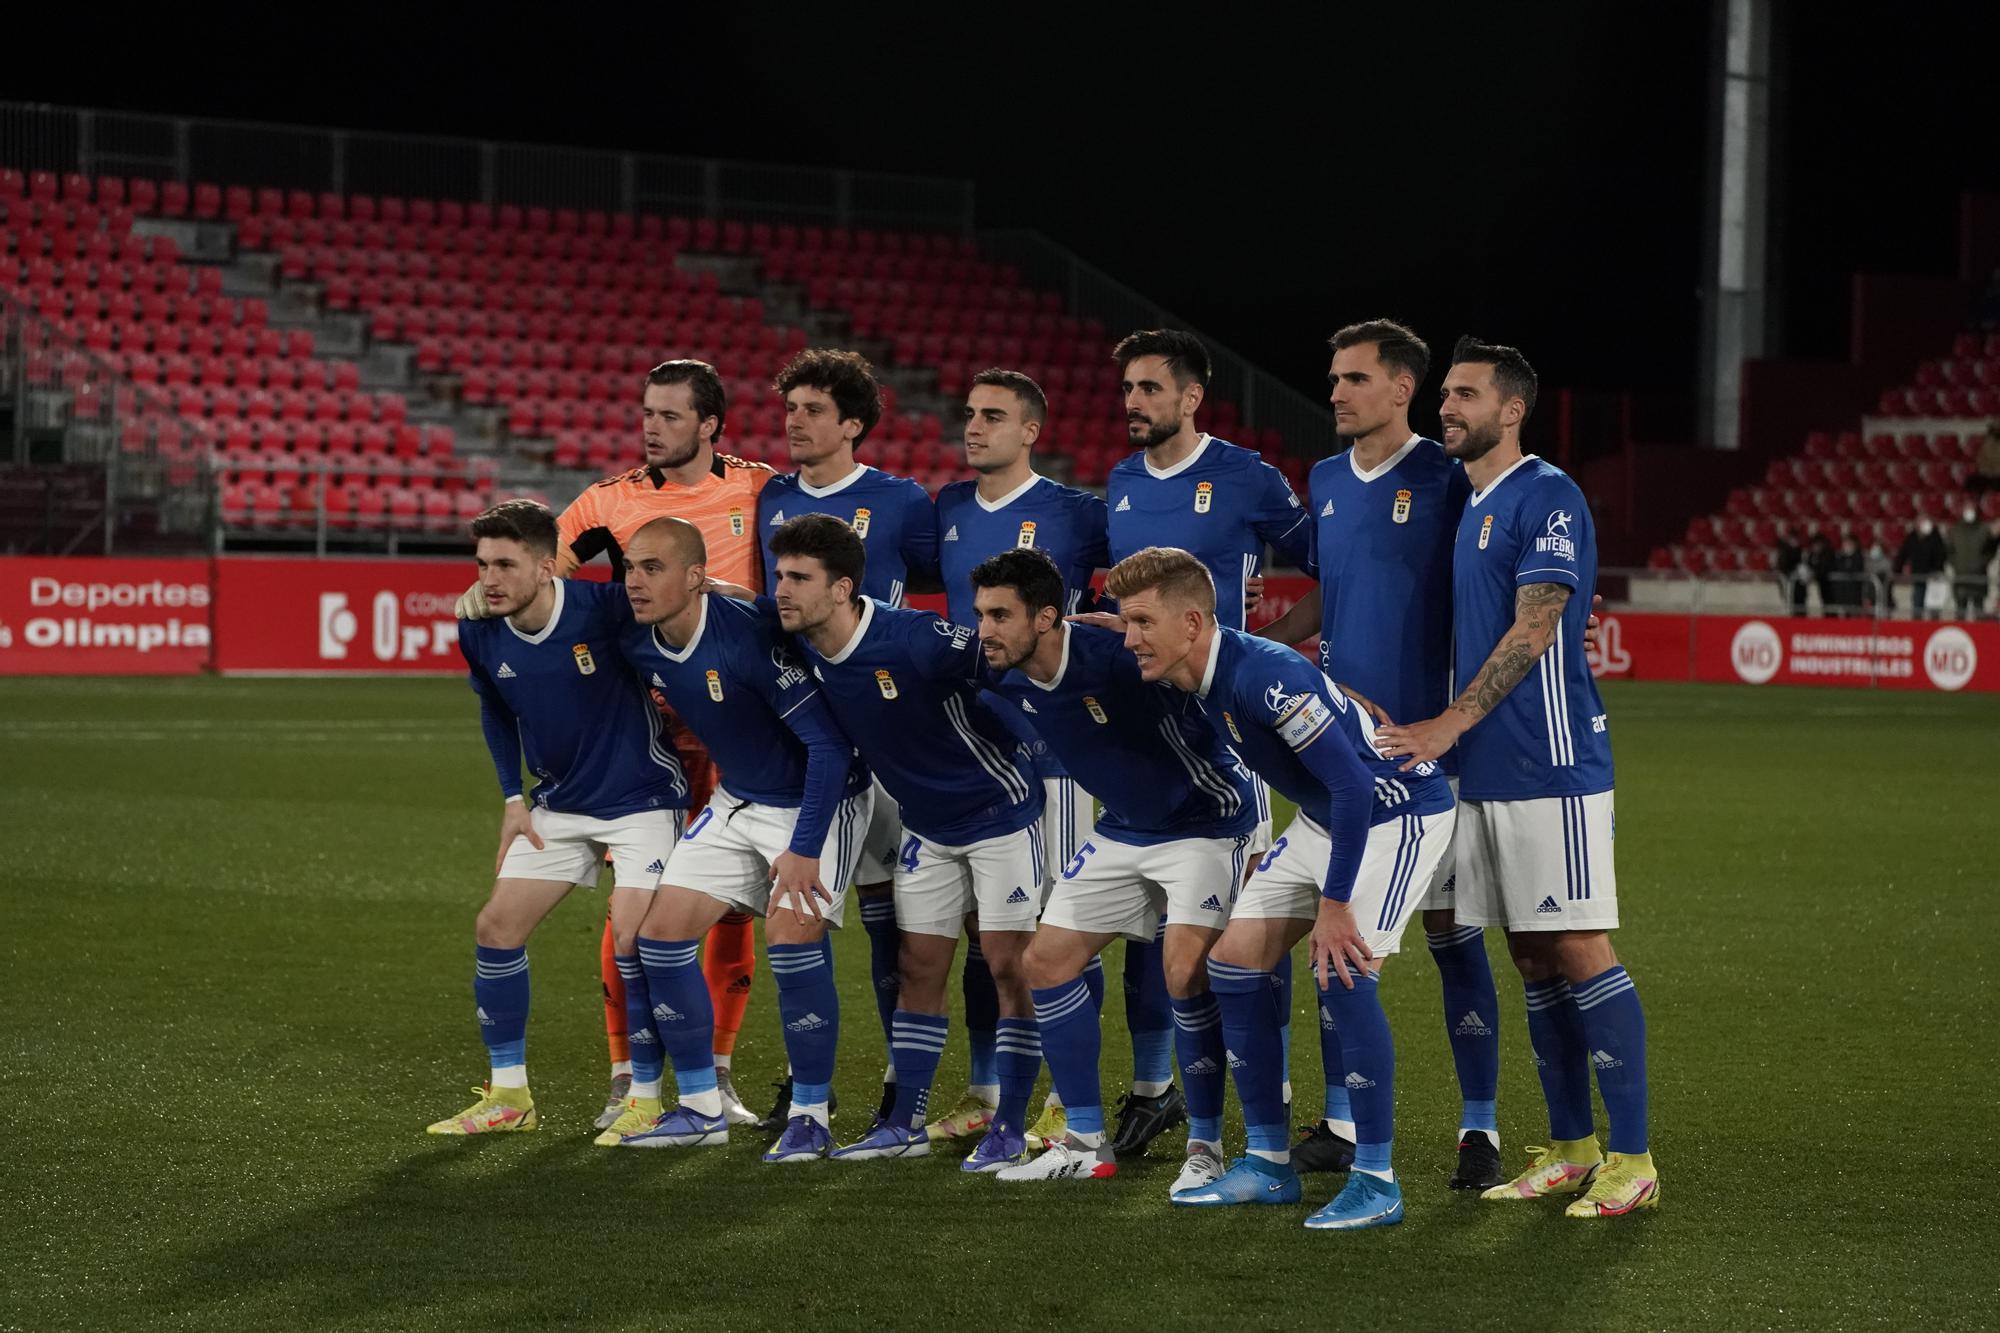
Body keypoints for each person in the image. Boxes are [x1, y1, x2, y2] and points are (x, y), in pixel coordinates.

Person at [452, 359, 776, 1130]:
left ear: (709, 424)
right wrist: (488, 594)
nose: (650, 427)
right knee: (637, 916)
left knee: (729, 911)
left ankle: (716, 1076)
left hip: (742, 724)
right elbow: (541, 574)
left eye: (668, 415)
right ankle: (628, 1078)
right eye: (646, 413)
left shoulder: (764, 489)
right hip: (650, 732)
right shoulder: (608, 500)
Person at [1378, 337, 1657, 1219]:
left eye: (1464, 395)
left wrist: (1448, 722)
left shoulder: (1548, 493)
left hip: (1553, 765)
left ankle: (1635, 1158)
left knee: (1579, 947)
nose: (1446, 408)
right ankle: (1571, 1147)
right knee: (1532, 955)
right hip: (1489, 771)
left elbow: (1539, 625)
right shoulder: (1470, 503)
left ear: (1511, 409)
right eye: (1446, 395)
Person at [1097, 545, 1453, 1232]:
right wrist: (1128, 633)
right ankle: (1266, 1163)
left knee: (1343, 971)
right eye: (1126, 620)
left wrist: (1334, 902)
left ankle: (1377, 1177)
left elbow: (1352, 783)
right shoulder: (1202, 667)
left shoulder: (1263, 675)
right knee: (1232, 964)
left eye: (1142, 621)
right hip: (1328, 816)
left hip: (1394, 814)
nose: (1132, 635)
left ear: (1193, 623)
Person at [1251, 318, 1505, 1190]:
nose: (1334, 392)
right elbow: (1333, 590)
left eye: (1353, 378)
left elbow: (1493, 582)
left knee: (1452, 936)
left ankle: (1480, 1127)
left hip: (1431, 755)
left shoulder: (1451, 477)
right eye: (1332, 378)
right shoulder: (1323, 478)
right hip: (1335, 751)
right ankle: (1343, 1118)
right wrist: (1271, 641)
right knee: (1337, 931)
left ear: (1402, 390)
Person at [965, 549, 1255, 1192]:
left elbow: (1221, 669)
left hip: (1205, 824)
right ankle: (1085, 1143)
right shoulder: (999, 668)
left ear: (1046, 618)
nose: (984, 629)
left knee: (1183, 971)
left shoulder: (1123, 658)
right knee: (1044, 961)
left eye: (1000, 615)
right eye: (980, 614)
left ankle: (1206, 1147)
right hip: (1123, 828)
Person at [771, 514, 1046, 1169]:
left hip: (999, 815)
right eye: (779, 574)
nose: (780, 588)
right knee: (918, 967)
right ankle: (905, 1123)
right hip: (927, 825)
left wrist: (1045, 746)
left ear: (840, 588)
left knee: (1010, 967)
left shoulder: (916, 639)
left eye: (796, 577)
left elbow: (1009, 663)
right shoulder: (801, 638)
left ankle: (1009, 1123)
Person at [598, 517, 874, 1160]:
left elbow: (830, 749)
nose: (635, 583)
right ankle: (698, 1105)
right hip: (735, 800)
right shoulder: (639, 641)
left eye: (653, 569)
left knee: (789, 941)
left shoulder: (749, 637)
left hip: (818, 801)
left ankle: (811, 1114)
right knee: (658, 941)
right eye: (631, 568)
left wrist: (803, 850)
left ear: (696, 577)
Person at [1104, 328, 1313, 1155]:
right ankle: (1152, 1088)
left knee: (1255, 915)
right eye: (1127, 388)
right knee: (1146, 917)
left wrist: (1279, 646)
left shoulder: (1246, 477)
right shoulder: (1118, 483)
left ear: (1191, 397)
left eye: (1150, 388)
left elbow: (1333, 566)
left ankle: (1276, 1086)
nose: (1133, 403)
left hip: (1232, 738)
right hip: (1141, 737)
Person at [427, 500, 689, 1136]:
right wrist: (511, 799)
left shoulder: (602, 608)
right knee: (496, 927)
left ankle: (645, 1099)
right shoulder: (479, 629)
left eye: (505, 565)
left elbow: (679, 608)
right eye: (482, 564)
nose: (488, 579)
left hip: (642, 800)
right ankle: (510, 1097)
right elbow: (494, 710)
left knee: (633, 942)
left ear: (548, 567)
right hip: (557, 806)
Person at [754, 348, 941, 1131]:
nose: (795, 421)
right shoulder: (771, 498)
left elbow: (945, 581)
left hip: (896, 733)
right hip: (817, 736)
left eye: (812, 410)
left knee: (908, 924)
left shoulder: (899, 502)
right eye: (790, 408)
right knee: (837, 910)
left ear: (853, 425)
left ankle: (910, 1083)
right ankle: (812, 1085)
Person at [934, 368, 1113, 1150]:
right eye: (970, 414)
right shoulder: (942, 510)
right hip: (978, 748)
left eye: (993, 416)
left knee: (1068, 919)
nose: (974, 427)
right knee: (991, 929)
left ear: (1031, 431)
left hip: (1063, 750)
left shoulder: (1078, 514)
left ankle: (1067, 1101)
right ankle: (990, 1088)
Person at [1897, 517, 1948, 620]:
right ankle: (1917, 626)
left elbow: (1941, 555)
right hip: (1918, 576)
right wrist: (1897, 570)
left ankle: (1934, 625)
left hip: (1933, 578)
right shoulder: (1912, 537)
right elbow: (1903, 554)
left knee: (1934, 606)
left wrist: (1938, 571)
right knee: (1917, 604)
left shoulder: (1935, 536)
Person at [1947, 503, 1989, 621]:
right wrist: (1956, 564)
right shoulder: (1956, 531)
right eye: (1967, 509)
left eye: (1971, 509)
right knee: (1960, 612)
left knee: (1979, 612)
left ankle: (1982, 637)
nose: (1969, 512)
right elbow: (1949, 551)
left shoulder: (1983, 530)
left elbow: (1990, 550)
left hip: (1978, 577)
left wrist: (1982, 562)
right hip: (1961, 577)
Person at [1772, 523, 1807, 616]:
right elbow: (1781, 562)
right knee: (1785, 595)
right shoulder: (1784, 548)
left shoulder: (1798, 550)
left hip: (1793, 577)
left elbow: (1799, 563)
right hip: (1785, 575)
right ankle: (1785, 612)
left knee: (1792, 595)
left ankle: (1791, 612)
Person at [1830, 533, 1867, 617]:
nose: (1846, 546)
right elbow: (1837, 568)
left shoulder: (1858, 556)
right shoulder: (1840, 557)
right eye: (1844, 543)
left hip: (1854, 594)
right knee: (1843, 615)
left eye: (1848, 543)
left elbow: (1854, 570)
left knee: (1855, 615)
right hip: (1842, 594)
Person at [1805, 529, 1835, 614]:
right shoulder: (1812, 554)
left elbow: (1826, 568)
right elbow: (1809, 564)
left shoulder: (1827, 553)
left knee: (1829, 604)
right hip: (1820, 583)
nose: (1815, 547)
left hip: (1829, 585)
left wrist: (1815, 574)